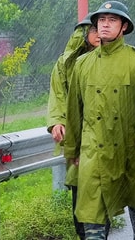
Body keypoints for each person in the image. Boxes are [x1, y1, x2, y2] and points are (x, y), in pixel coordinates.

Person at [63, 1, 135, 240]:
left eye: (112, 20)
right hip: (92, 149)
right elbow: (74, 110)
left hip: (127, 146)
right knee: (91, 207)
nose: (105, 25)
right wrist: (73, 149)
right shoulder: (82, 64)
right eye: (101, 20)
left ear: (124, 26)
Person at [47, 14, 98, 238]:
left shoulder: (114, 60)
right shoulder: (65, 64)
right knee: (79, 185)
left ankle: (98, 232)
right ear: (84, 34)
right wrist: (56, 121)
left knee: (101, 187)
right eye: (93, 29)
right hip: (77, 135)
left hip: (105, 133)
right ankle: (85, 233)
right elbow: (58, 94)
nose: (100, 33)